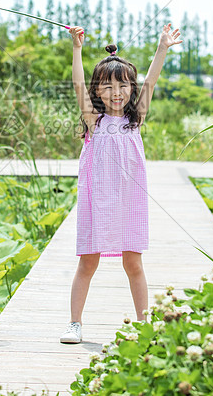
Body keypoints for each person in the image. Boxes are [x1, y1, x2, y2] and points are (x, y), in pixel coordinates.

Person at [60, 23, 183, 344]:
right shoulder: (93, 120)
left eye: (124, 86)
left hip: (129, 201)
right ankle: (74, 323)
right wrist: (77, 49)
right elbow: (76, 84)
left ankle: (144, 323)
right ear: (96, 91)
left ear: (131, 89)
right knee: (88, 261)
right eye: (108, 87)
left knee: (133, 262)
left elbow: (152, 81)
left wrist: (162, 48)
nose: (117, 93)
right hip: (96, 200)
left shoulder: (135, 119)